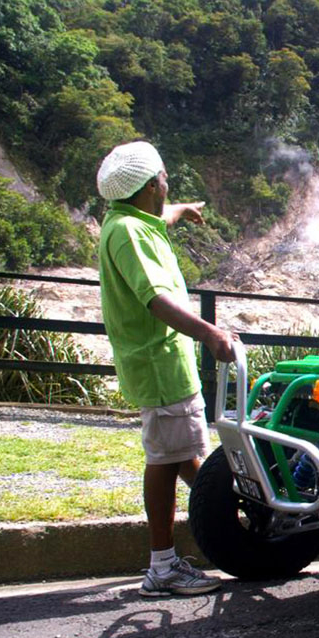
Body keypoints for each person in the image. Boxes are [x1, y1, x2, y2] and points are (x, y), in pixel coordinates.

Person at [96, 140, 239, 597]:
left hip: (164, 362)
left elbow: (160, 216)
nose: (167, 181)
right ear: (148, 186)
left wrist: (180, 209)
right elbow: (155, 299)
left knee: (182, 453)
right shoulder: (129, 235)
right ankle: (162, 565)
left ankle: (234, 527)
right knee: (164, 458)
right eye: (163, 178)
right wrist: (210, 334)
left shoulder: (131, 220)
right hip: (159, 362)